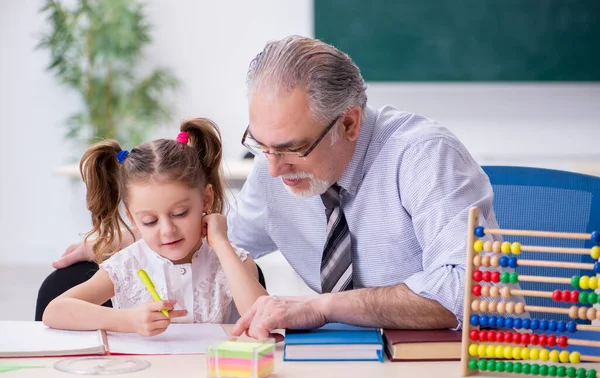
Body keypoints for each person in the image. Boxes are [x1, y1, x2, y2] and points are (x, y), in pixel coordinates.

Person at [40, 36, 497, 340]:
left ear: (350, 123)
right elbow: (219, 233)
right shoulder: (275, 165)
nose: (273, 171)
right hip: (342, 363)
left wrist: (322, 307)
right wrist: (130, 234)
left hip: (436, 359)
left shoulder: (423, 156)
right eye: (262, 146)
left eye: (292, 149)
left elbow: (467, 287)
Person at [42, 118, 268, 336]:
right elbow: (55, 311)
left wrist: (221, 243)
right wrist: (128, 320)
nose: (167, 230)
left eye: (180, 213)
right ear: (132, 218)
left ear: (206, 199)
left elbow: (264, 319)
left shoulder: (232, 259)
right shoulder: (128, 264)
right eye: (150, 221)